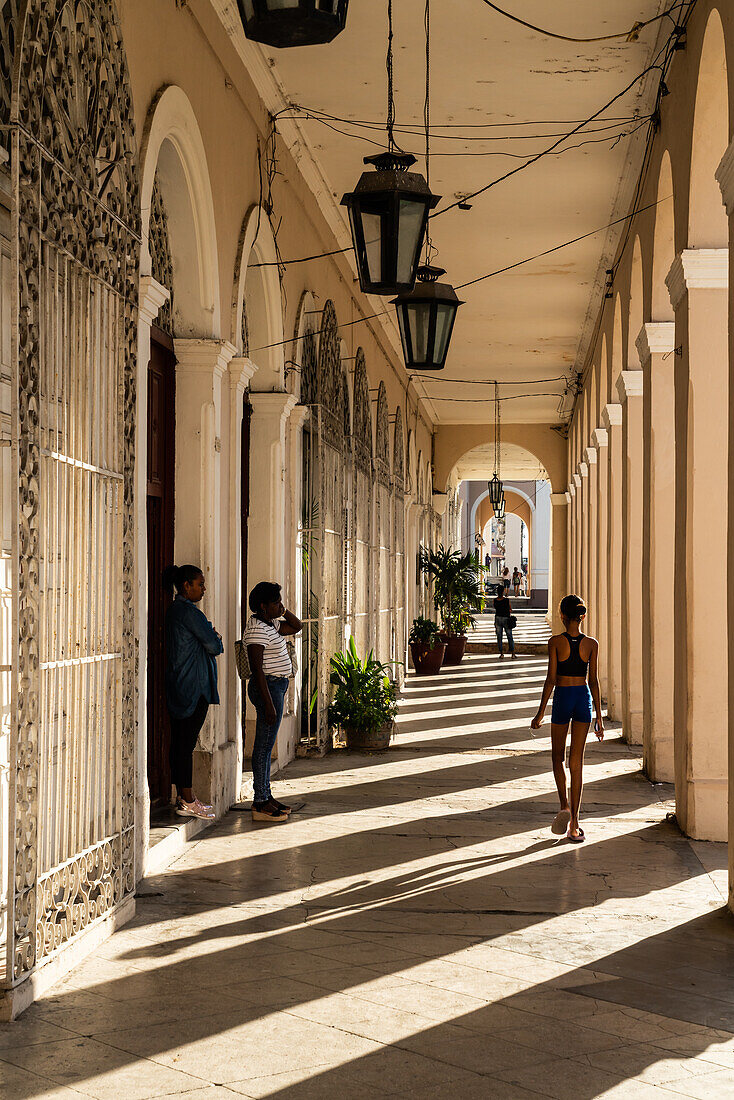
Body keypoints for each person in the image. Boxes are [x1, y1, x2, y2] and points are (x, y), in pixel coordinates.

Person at [530, 594, 604, 842]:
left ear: (562, 615)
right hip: (582, 699)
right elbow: (593, 681)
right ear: (582, 616)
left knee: (556, 757)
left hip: (563, 697)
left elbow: (550, 679)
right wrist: (600, 718)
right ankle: (574, 825)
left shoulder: (555, 642)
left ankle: (563, 804)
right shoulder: (591, 644)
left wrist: (540, 712)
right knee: (577, 762)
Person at [163, 564, 223, 821]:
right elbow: (214, 644)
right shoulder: (188, 612)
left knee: (180, 741)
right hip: (193, 687)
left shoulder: (177, 611)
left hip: (181, 684)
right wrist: (214, 636)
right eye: (199, 584)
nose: (204, 588)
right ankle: (187, 798)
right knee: (185, 743)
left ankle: (184, 795)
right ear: (186, 586)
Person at [245, 581, 303, 823]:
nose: (279, 605)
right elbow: (257, 669)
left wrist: (283, 610)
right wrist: (268, 704)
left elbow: (297, 626)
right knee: (263, 747)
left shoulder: (270, 625)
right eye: (275, 602)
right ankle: (260, 802)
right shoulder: (257, 630)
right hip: (267, 688)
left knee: (267, 746)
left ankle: (266, 796)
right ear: (262, 606)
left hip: (276, 686)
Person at [493, 584, 516, 660]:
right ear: (503, 591)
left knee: (499, 637)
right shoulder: (506, 600)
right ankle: (512, 654)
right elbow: (510, 609)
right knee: (509, 636)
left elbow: (495, 608)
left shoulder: (495, 600)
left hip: (498, 618)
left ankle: (501, 653)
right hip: (506, 619)